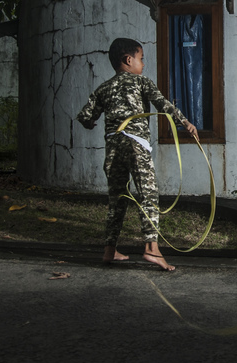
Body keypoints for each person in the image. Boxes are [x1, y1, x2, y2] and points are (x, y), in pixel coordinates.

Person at [77, 37, 198, 271]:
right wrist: (185, 122)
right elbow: (163, 104)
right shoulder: (142, 82)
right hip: (135, 144)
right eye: (141, 59)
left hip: (113, 146)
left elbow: (85, 116)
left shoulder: (104, 88)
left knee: (117, 199)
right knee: (148, 193)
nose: (143, 64)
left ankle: (109, 250)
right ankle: (152, 248)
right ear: (128, 60)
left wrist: (91, 124)